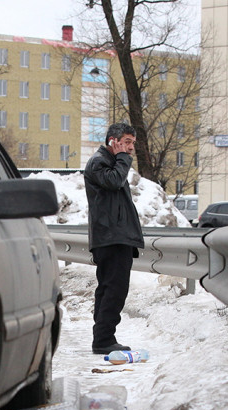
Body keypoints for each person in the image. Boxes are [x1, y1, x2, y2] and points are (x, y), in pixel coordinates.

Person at [84, 122, 144, 355]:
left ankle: (103, 337)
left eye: (132, 144)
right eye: (127, 142)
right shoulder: (100, 162)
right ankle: (104, 339)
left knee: (109, 288)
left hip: (114, 236)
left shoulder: (109, 162)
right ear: (113, 141)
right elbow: (113, 181)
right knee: (114, 290)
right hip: (110, 236)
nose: (130, 149)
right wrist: (121, 159)